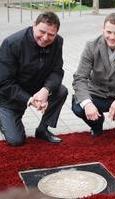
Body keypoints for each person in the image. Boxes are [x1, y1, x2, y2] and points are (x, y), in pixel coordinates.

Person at [0, 11, 68, 146]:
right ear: (33, 26)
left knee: (61, 91)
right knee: (16, 140)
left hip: (37, 88)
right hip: (10, 96)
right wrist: (29, 100)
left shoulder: (58, 42)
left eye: (51, 34)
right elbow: (4, 83)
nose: (45, 38)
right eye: (42, 32)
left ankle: (43, 130)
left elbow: (57, 71)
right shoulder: (11, 43)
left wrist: (45, 90)